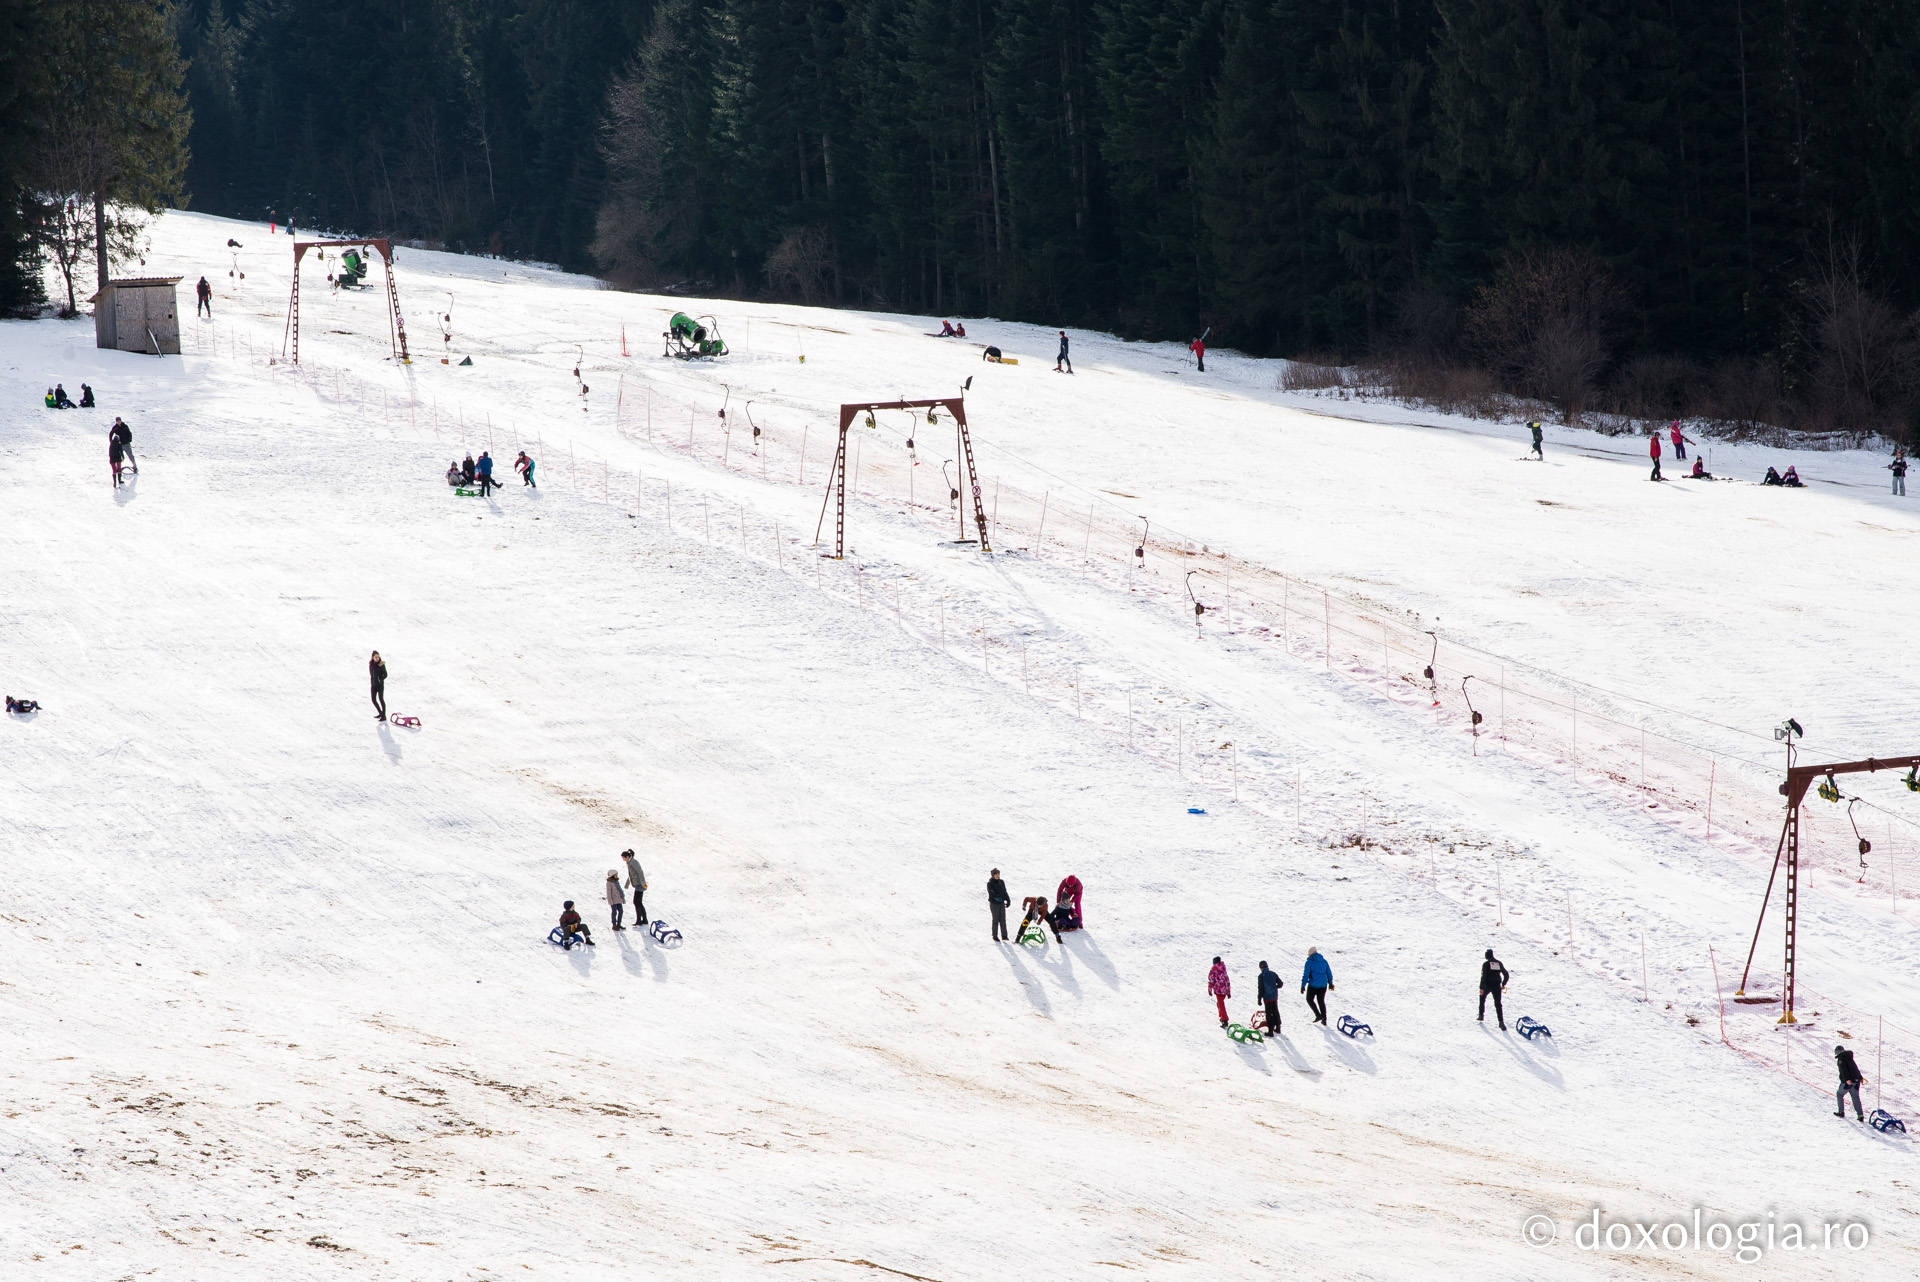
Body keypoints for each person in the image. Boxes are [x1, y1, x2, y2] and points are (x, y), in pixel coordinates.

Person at [1300, 947, 1334, 1025]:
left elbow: (1306, 974)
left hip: (1313, 985)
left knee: (1309, 999)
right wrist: (1330, 983)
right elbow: (1329, 972)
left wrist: (1303, 985)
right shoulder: (1324, 961)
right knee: (1321, 1001)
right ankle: (1324, 1020)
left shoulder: (1309, 962)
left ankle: (1318, 1015)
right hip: (1323, 985)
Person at [1478, 949, 1510, 1029]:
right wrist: (1503, 984)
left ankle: (1481, 1015)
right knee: (1498, 1004)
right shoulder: (1498, 963)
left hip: (1488, 985)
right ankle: (1501, 1022)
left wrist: (1481, 987)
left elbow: (1483, 976)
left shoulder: (1486, 964)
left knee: (1482, 997)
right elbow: (1506, 974)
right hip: (1497, 986)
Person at [1835, 1045, 1866, 1121]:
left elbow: (1843, 1070)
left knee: (1839, 1094)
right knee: (1856, 1098)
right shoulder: (1850, 1058)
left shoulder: (1841, 1059)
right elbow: (1855, 1068)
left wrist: (1846, 1079)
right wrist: (1860, 1077)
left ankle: (1841, 1111)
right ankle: (1860, 1115)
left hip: (1848, 1082)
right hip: (1856, 1081)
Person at [622, 849, 648, 925]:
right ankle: (644, 920)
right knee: (638, 902)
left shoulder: (633, 862)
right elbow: (631, 875)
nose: (623, 859)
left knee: (636, 902)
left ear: (627, 857)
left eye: (623, 858)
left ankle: (639, 920)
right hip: (637, 884)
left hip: (640, 884)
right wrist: (627, 884)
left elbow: (640, 871)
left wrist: (643, 882)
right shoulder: (629, 862)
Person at [1257, 961, 1282, 1035]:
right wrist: (1274, 987)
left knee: (1269, 1013)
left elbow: (1261, 989)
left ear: (1260, 967)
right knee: (1275, 1011)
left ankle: (1270, 1031)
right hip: (1274, 996)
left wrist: (1259, 999)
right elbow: (1280, 984)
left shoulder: (1261, 976)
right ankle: (1278, 1027)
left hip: (1267, 998)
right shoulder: (1273, 973)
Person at [1208, 956, 1231, 1028]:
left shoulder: (1213, 969)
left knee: (1221, 1004)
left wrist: (1209, 989)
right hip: (1224, 989)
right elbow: (1227, 979)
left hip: (1218, 990)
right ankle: (1221, 1016)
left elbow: (1211, 980)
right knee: (1219, 1003)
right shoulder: (1223, 968)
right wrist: (1228, 991)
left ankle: (1225, 1020)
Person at [988, 868, 1011, 941]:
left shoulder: (1001, 882)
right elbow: (992, 893)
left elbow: (1004, 891)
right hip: (994, 904)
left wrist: (1008, 900)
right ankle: (995, 935)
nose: (997, 876)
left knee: (1003, 920)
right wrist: (998, 898)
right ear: (993, 875)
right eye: (996, 874)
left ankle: (1004, 936)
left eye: (998, 874)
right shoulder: (990, 883)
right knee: (995, 920)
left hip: (1001, 903)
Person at [369, 650, 387, 721]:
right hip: (373, 685)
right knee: (373, 700)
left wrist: (380, 679)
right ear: (373, 657)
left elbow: (385, 674)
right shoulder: (371, 665)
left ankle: (384, 716)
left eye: (378, 657)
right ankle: (380, 713)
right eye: (375, 657)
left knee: (381, 699)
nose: (377, 658)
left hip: (379, 685)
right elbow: (372, 674)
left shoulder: (381, 665)